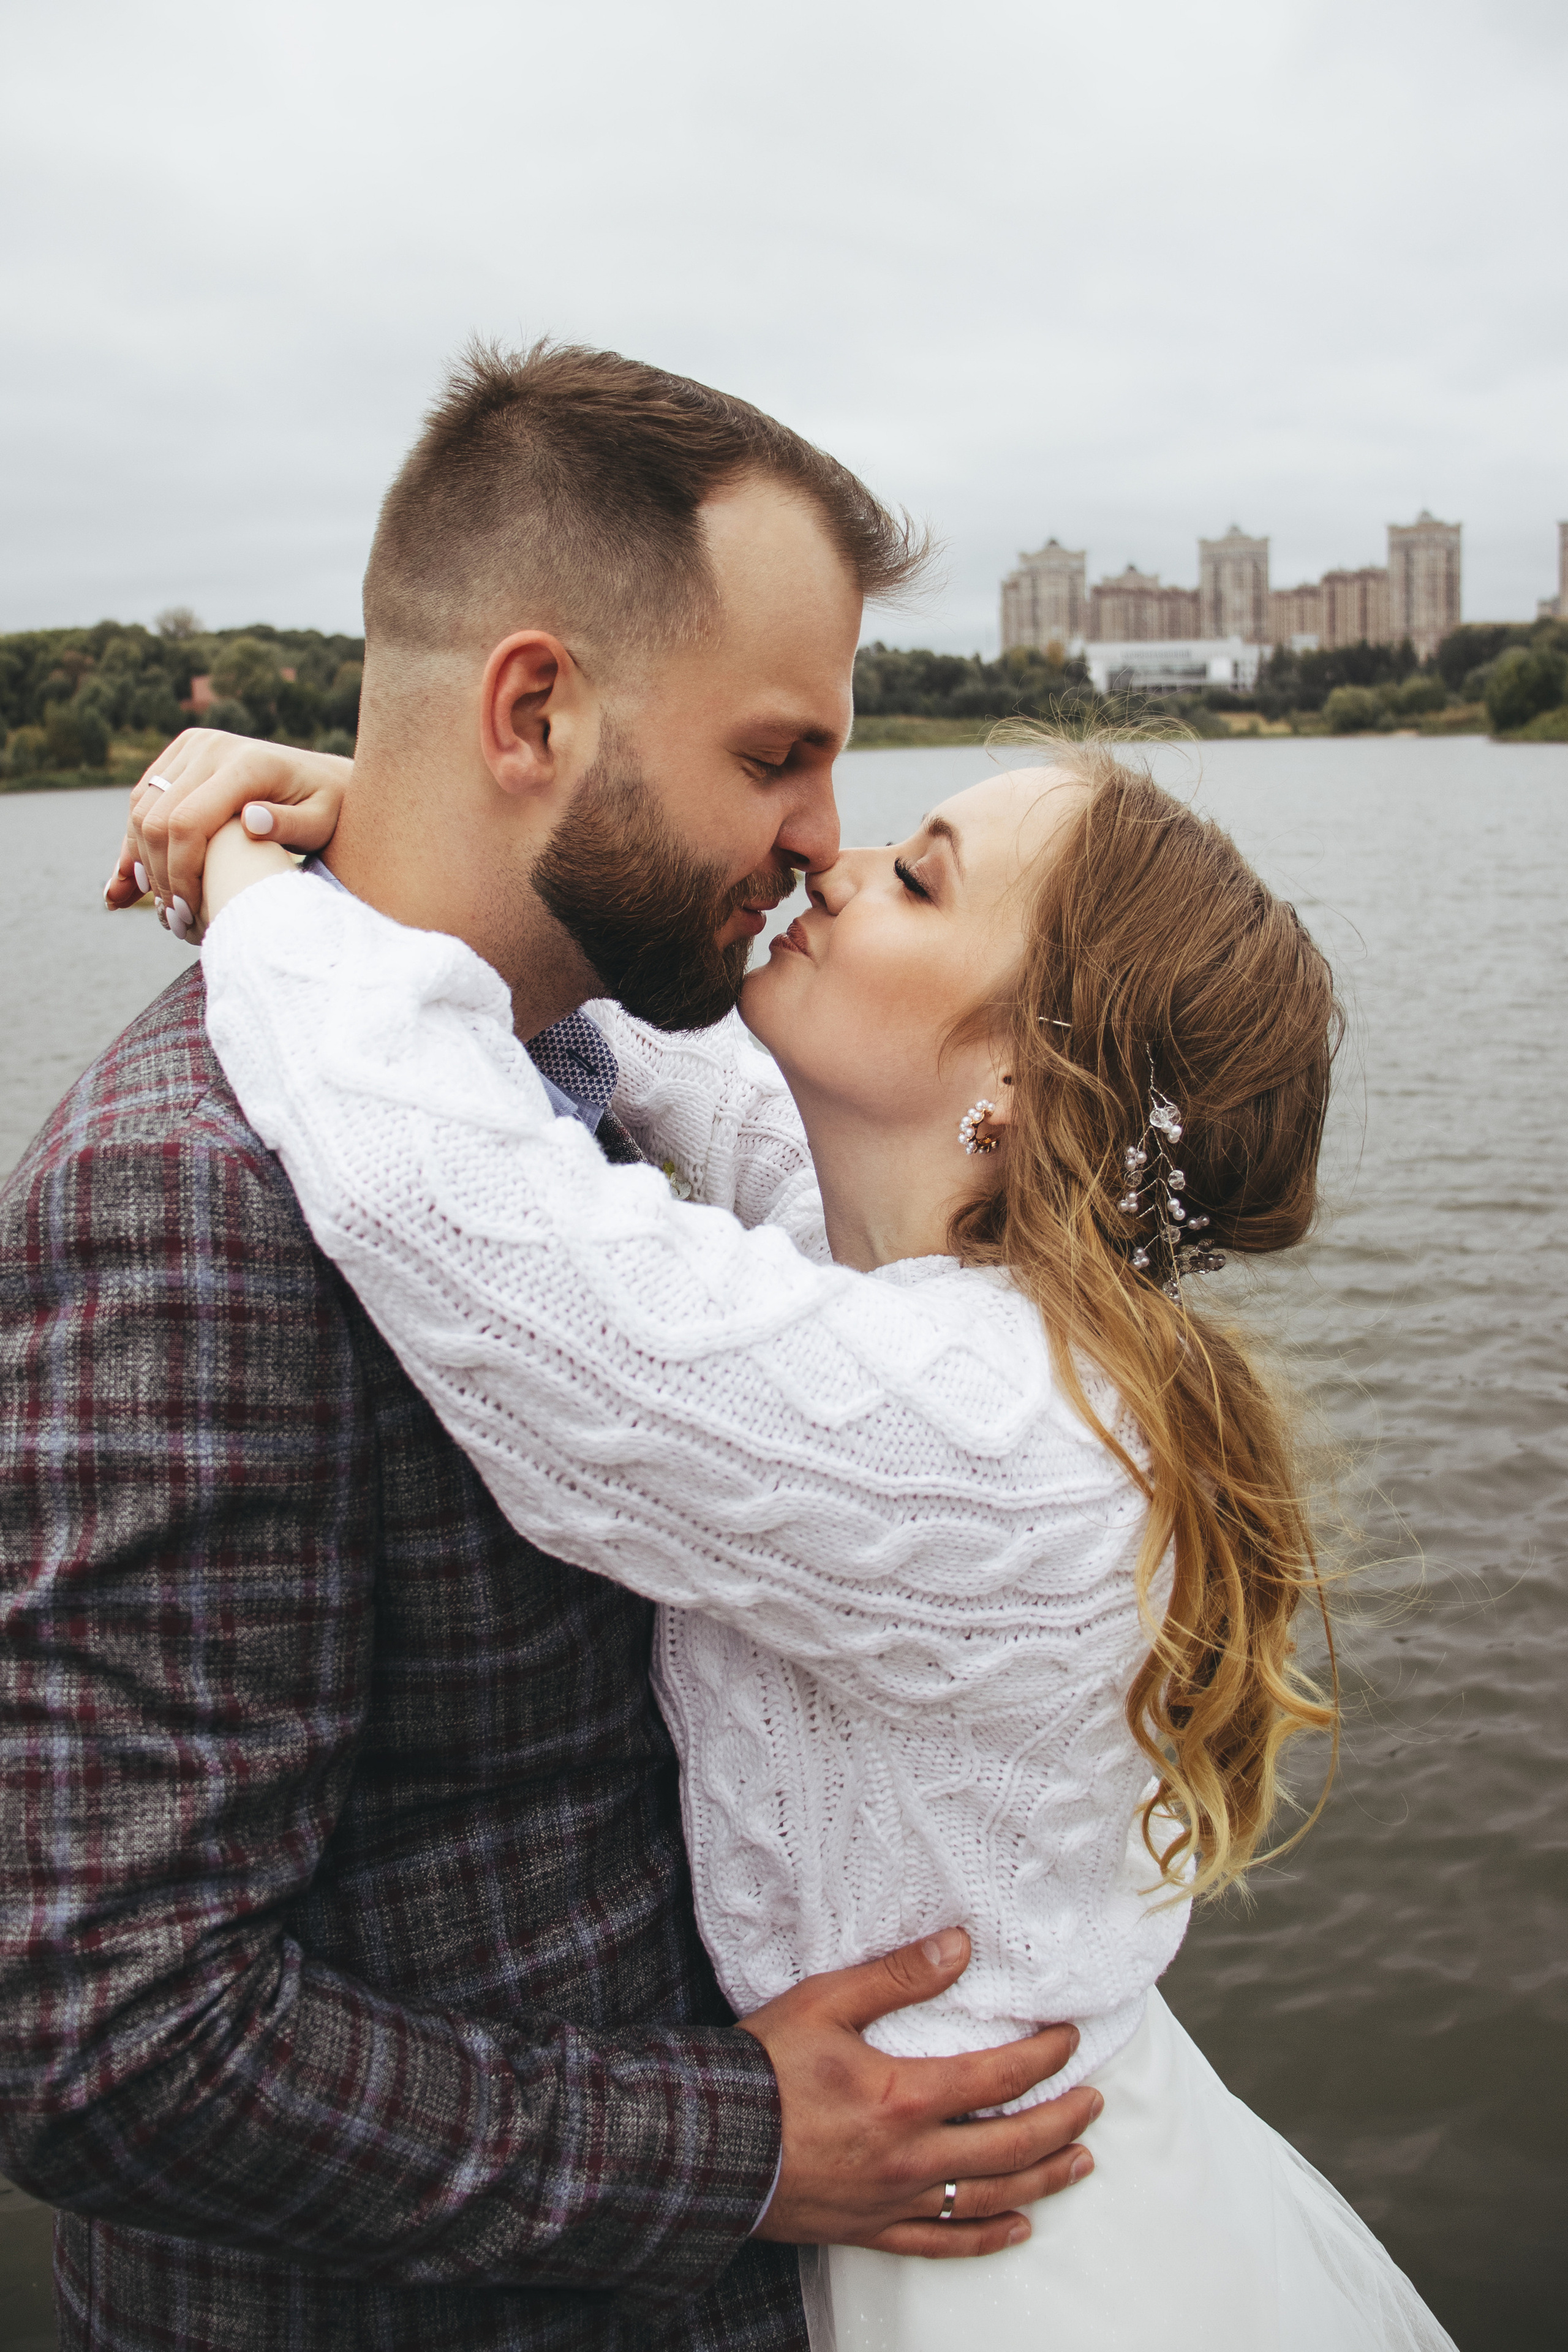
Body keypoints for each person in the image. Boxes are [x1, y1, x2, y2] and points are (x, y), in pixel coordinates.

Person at [0, 345, 1103, 2352]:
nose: (818, 838)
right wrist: (732, 2140)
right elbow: (107, 2031)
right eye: (778, 758)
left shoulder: (608, 1066)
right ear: (534, 710)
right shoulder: (189, 1193)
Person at [168, 728, 1456, 2349]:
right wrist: (411, 834)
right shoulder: (929, 1285)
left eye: (915, 879)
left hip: (1009, 2267)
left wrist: (254, 889)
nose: (826, 867)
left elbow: (476, 1229)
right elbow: (692, 1075)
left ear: (1017, 1087)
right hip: (987, 2177)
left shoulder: (990, 1433)